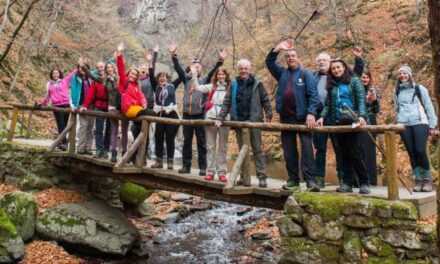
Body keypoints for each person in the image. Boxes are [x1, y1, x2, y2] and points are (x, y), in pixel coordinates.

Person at [266, 39, 321, 192]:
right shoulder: (282, 73)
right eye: (288, 56)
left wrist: (311, 113)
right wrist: (278, 48)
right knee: (289, 150)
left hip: (303, 118)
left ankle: (311, 181)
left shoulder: (306, 74)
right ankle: (293, 180)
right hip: (286, 118)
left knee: (307, 150)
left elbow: (313, 95)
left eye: (293, 56)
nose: (290, 58)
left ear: (298, 58)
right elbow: (269, 62)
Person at [170, 44, 227, 176]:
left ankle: (203, 167)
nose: (195, 68)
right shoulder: (186, 79)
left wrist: (220, 61)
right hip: (186, 114)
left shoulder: (204, 80)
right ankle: (186, 166)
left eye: (198, 66)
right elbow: (178, 69)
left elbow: (213, 72)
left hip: (200, 115)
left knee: (202, 142)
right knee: (186, 141)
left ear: (201, 69)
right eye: (193, 66)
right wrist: (173, 56)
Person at [312, 48, 365, 188]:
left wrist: (362, 116)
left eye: (324, 60)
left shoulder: (351, 80)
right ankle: (326, 180)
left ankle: (354, 181)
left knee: (349, 152)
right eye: (319, 61)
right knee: (328, 150)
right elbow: (325, 102)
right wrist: (318, 115)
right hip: (328, 119)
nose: (336, 70)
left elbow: (360, 99)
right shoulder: (321, 81)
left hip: (347, 120)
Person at [218, 58, 273, 188]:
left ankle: (262, 177)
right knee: (242, 150)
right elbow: (227, 102)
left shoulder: (257, 83)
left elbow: (265, 100)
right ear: (239, 69)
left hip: (254, 121)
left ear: (250, 69)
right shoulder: (234, 84)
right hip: (239, 122)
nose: (243, 71)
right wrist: (221, 117)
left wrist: (269, 113)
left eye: (246, 68)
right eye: (241, 68)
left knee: (257, 149)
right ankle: (244, 177)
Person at [394, 65, 437, 192]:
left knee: (420, 150)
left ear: (410, 75)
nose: (402, 76)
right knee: (411, 153)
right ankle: (418, 180)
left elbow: (429, 106)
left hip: (420, 122)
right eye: (400, 74)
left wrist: (433, 124)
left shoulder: (419, 88)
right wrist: (397, 121)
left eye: (405, 73)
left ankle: (427, 180)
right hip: (404, 124)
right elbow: (397, 108)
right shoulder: (397, 91)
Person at [190, 65, 230, 182]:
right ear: (216, 76)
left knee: (223, 147)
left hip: (225, 119)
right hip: (210, 118)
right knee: (210, 146)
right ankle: (210, 171)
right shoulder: (211, 86)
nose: (221, 76)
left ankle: (222, 172)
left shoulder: (230, 87)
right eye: (219, 74)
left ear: (226, 76)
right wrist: (194, 74)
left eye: (223, 74)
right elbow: (197, 87)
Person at [149, 45, 180, 170]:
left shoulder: (173, 86)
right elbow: (151, 71)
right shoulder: (155, 86)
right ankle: (159, 161)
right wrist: (154, 54)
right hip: (159, 114)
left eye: (164, 77)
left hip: (171, 114)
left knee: (170, 138)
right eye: (160, 77)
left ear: (168, 78)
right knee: (158, 137)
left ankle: (171, 162)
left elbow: (182, 75)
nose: (162, 78)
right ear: (158, 79)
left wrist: (174, 55)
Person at [38, 67, 76, 150]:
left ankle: (61, 142)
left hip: (66, 105)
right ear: (51, 75)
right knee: (60, 124)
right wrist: (42, 103)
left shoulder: (64, 81)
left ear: (59, 74)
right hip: (56, 106)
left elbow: (71, 75)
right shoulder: (49, 84)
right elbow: (48, 96)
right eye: (54, 73)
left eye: (57, 73)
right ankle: (64, 143)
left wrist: (79, 66)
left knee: (65, 125)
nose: (55, 74)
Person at [360, 70, 380, 185]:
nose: (365, 79)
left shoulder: (373, 90)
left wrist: (374, 100)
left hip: (371, 121)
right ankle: (361, 180)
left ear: (369, 79)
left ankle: (372, 180)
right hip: (360, 120)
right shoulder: (356, 90)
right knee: (360, 150)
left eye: (366, 77)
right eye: (363, 77)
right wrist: (365, 100)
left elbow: (376, 110)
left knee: (370, 151)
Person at [70, 58, 94, 155]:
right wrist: (73, 104)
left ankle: (88, 148)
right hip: (80, 104)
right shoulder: (75, 78)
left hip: (91, 105)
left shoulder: (91, 78)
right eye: (80, 68)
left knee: (90, 127)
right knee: (83, 126)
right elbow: (72, 91)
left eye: (84, 68)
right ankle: (80, 148)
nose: (82, 70)